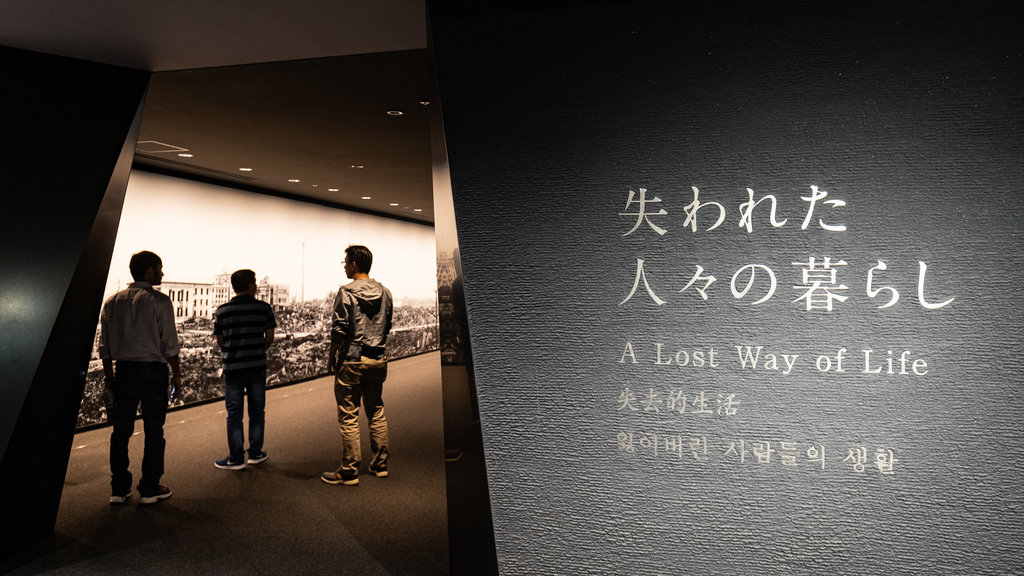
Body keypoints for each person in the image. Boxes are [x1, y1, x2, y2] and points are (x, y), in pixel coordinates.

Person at [98, 250, 181, 505]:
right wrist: (177, 376)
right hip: (152, 374)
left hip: (123, 372)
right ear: (148, 272)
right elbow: (170, 346)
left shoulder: (112, 302)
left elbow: (105, 348)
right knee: (154, 431)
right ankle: (149, 487)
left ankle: (119, 489)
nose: (162, 273)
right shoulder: (160, 301)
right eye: (159, 268)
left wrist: (110, 377)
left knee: (121, 431)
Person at [322, 245, 394, 486]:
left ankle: (350, 469)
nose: (344, 266)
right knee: (376, 410)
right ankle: (380, 464)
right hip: (378, 358)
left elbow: (339, 329)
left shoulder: (346, 292)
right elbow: (387, 326)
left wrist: (332, 356)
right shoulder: (385, 292)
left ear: (354, 265)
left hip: (352, 359)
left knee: (349, 415)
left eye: (345, 262)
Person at [211, 269, 276, 470]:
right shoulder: (264, 308)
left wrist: (234, 350)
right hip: (256, 366)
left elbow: (220, 340)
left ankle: (236, 458)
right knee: (257, 410)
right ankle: (255, 453)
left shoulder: (222, 311)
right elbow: (270, 337)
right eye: (254, 282)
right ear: (250, 286)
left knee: (234, 413)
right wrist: (257, 349)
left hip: (232, 368)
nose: (256, 285)